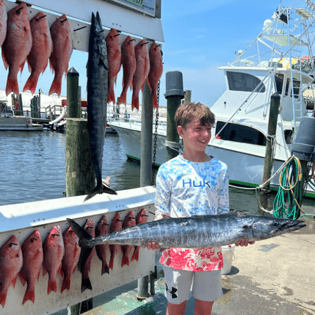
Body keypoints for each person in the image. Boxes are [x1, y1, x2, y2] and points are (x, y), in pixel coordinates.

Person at [143, 102, 255, 315]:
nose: (205, 135)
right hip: (176, 252)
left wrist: (238, 235)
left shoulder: (220, 169)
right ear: (181, 131)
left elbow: (224, 214)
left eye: (209, 129)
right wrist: (154, 237)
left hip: (211, 253)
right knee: (175, 307)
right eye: (198, 129)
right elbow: (162, 212)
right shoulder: (168, 170)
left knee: (204, 309)